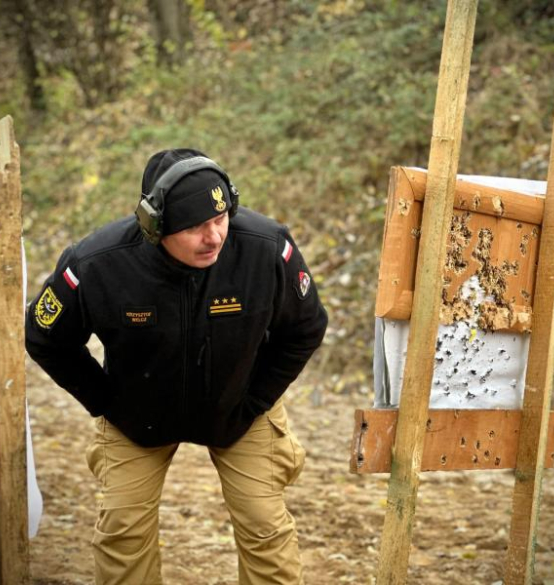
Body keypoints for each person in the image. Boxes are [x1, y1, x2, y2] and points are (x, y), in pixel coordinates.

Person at [25, 148, 328, 585]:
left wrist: (256, 397)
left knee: (266, 526)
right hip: (137, 415)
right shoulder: (96, 263)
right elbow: (43, 336)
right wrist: (105, 400)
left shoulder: (266, 248)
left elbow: (306, 327)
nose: (214, 236)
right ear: (154, 226)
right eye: (194, 227)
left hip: (239, 407)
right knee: (122, 531)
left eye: (221, 218)